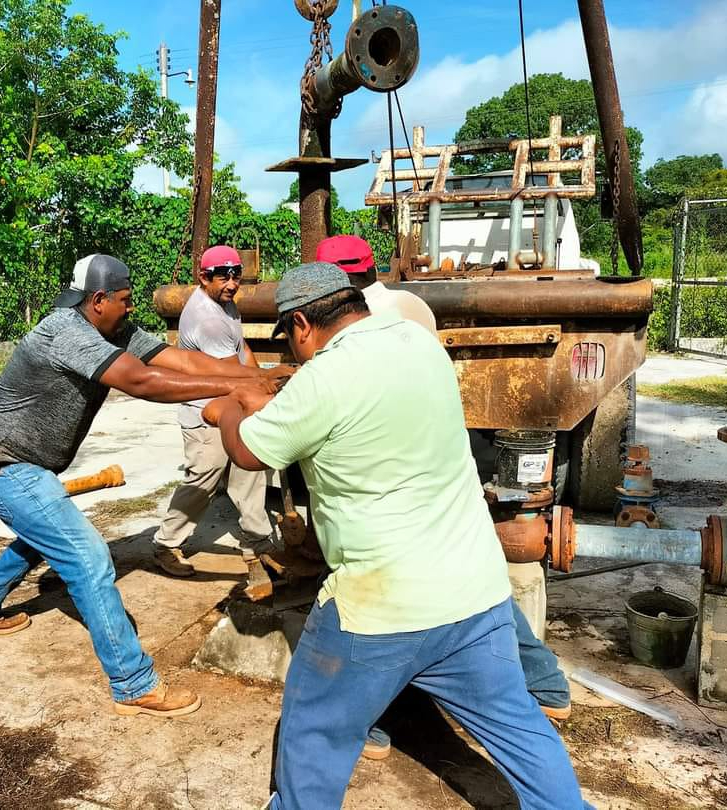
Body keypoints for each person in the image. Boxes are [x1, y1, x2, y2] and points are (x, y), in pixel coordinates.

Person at [204, 263, 592, 809]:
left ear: (300, 324)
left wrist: (224, 411)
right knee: (519, 729)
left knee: (313, 730)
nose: (295, 354)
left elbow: (248, 450)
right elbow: (361, 414)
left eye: (291, 342)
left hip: (380, 607)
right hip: (473, 593)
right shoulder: (420, 342)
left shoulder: (324, 378)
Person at [0, 254, 285, 719]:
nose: (131, 309)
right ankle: (132, 683)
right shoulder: (64, 331)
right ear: (98, 299)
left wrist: (258, 375)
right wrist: (236, 391)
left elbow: (185, 361)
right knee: (87, 558)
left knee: (41, 538)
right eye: (125, 300)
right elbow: (145, 382)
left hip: (23, 465)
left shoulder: (114, 329)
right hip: (1, 466)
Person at [316, 234, 573, 724]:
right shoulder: (411, 307)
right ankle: (545, 683)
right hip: (443, 470)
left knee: (373, 601)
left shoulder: (351, 329)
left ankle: (369, 720)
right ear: (374, 267)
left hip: (394, 484)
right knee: (477, 587)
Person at [153, 245, 274, 577]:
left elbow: (241, 347)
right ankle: (166, 544)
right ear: (203, 277)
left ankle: (258, 544)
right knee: (202, 480)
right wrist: (264, 389)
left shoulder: (225, 304)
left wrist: (261, 374)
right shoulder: (207, 318)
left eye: (236, 275)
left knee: (249, 470)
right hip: (203, 412)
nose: (232, 283)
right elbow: (227, 372)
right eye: (224, 276)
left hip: (230, 404)